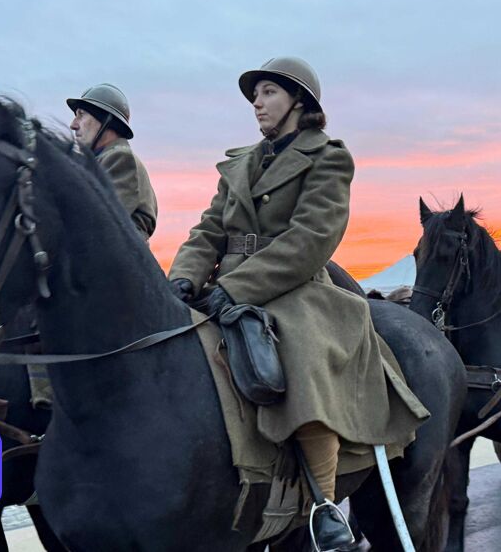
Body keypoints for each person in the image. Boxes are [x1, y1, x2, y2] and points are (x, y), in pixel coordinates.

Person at [168, 56, 428, 550]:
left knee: (302, 353)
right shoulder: (239, 163)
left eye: (268, 93)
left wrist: (238, 288)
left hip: (295, 285)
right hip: (224, 281)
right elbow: (208, 230)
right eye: (254, 96)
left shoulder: (328, 156)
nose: (257, 104)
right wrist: (183, 278)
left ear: (298, 101)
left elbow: (312, 237)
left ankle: (324, 505)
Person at [67, 83, 159, 240]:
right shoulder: (98, 160)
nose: (73, 125)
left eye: (81, 115)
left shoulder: (120, 158)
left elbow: (98, 221)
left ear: (105, 120)